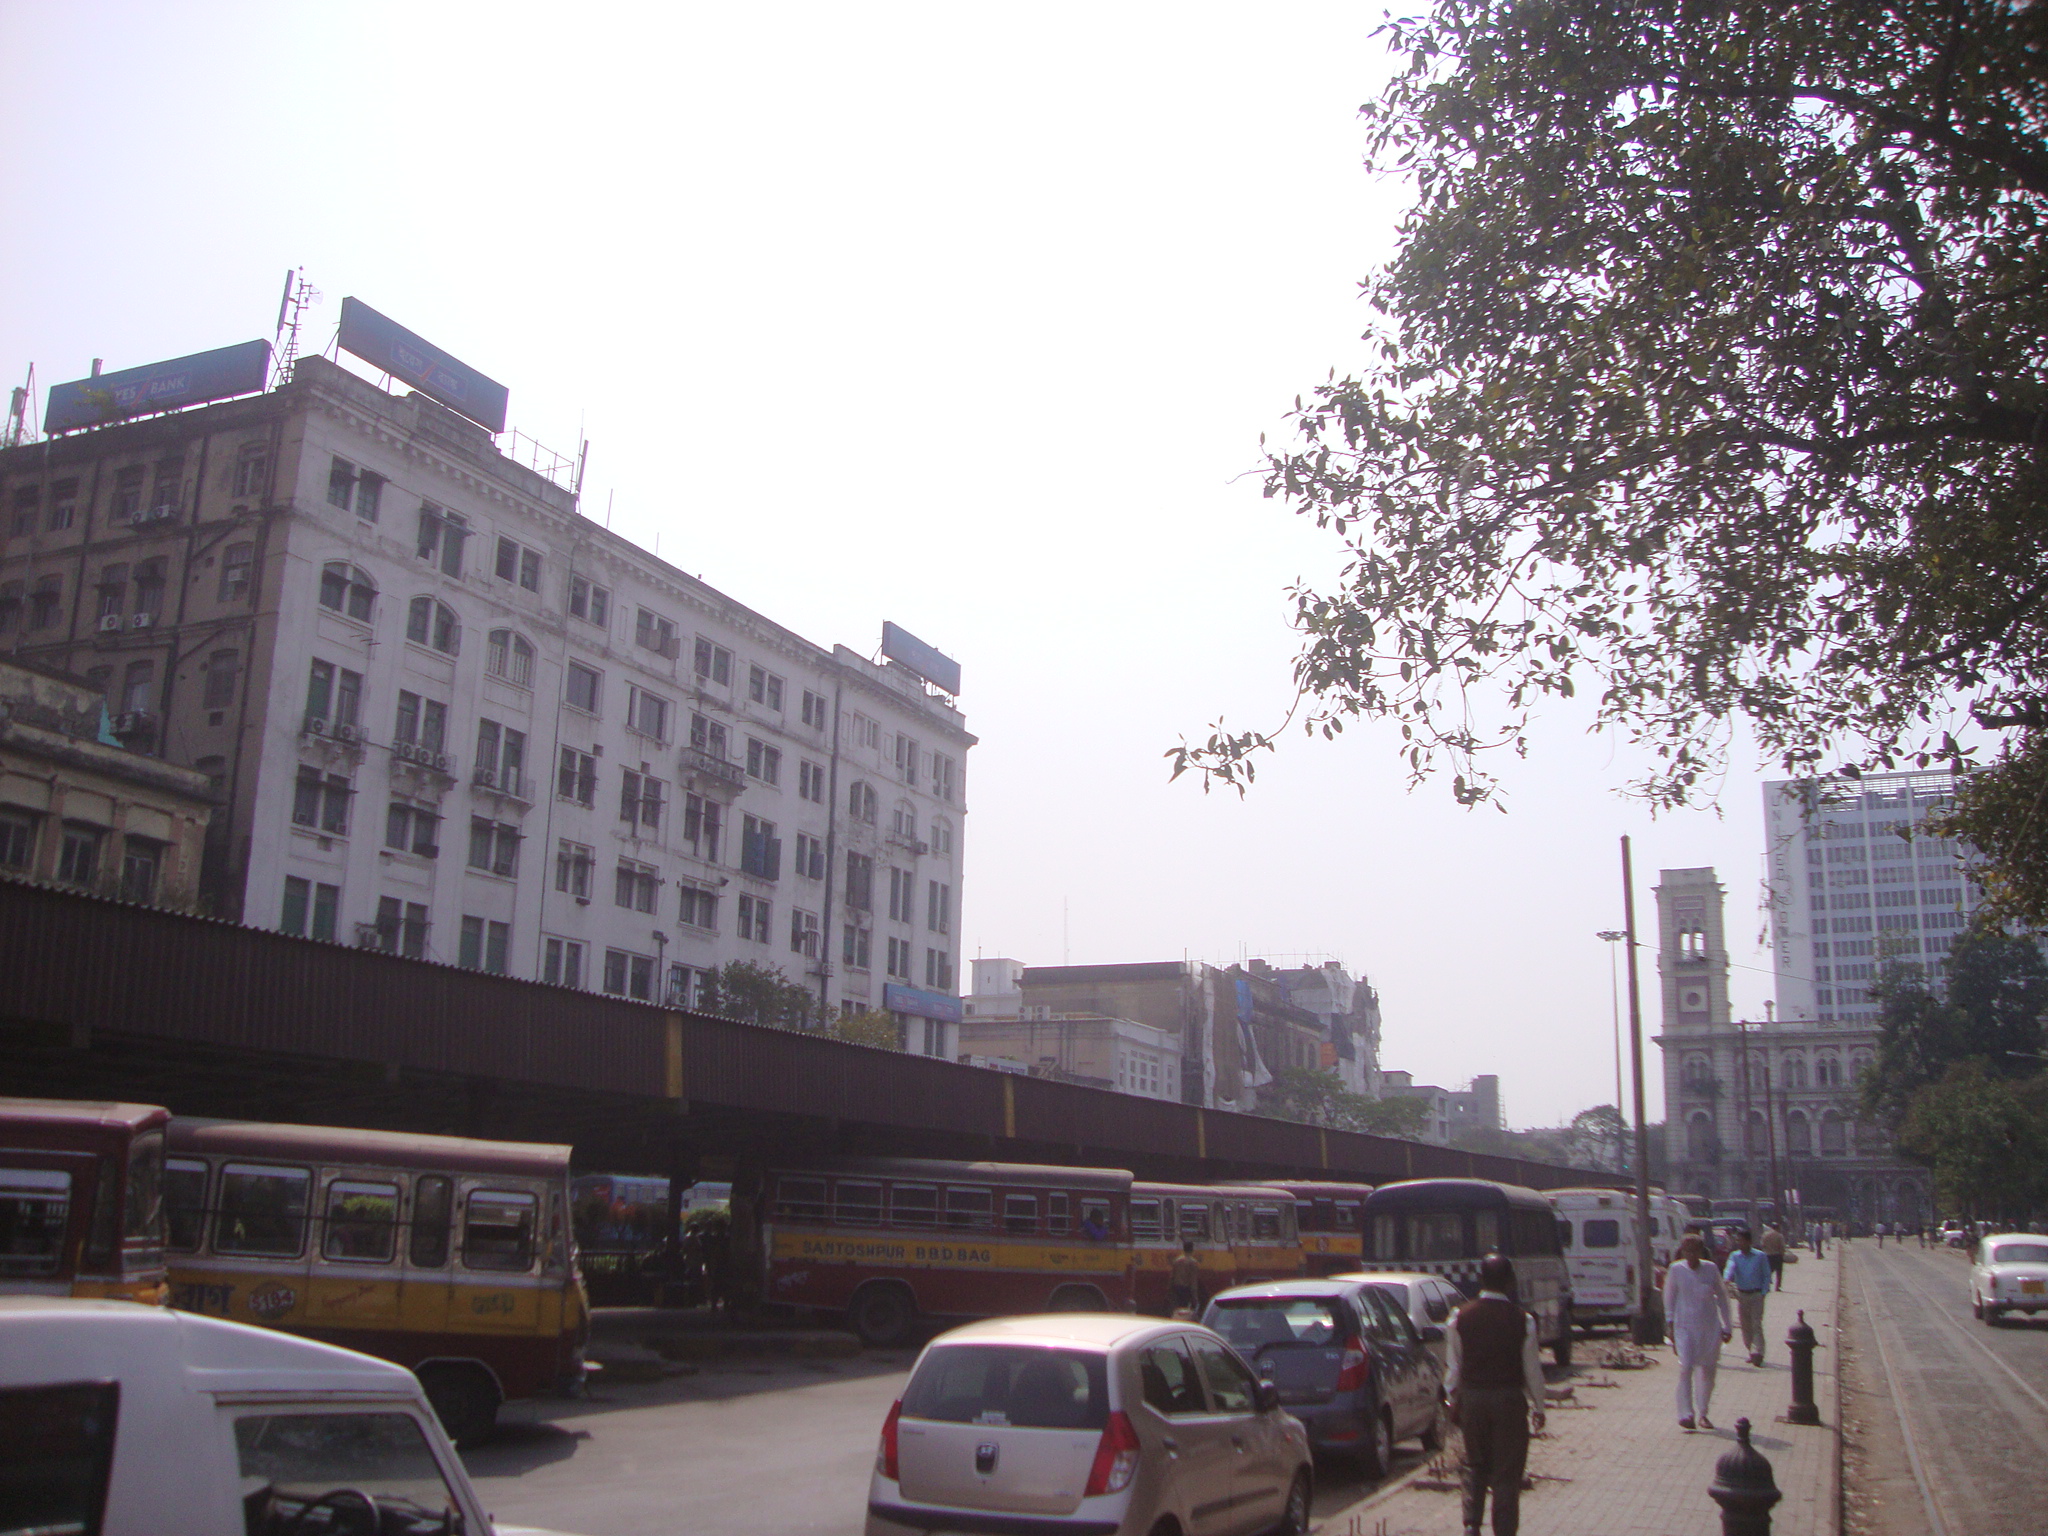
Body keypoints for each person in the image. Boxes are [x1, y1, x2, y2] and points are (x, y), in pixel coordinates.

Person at [1443, 1253, 1546, 1536]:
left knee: (1474, 1465)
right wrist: (1539, 1406)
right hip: (1509, 1402)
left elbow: (1454, 1368)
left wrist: (1453, 1401)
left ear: (1481, 1280)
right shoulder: (1523, 1320)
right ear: (1510, 1282)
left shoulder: (1458, 1317)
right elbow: (1532, 1370)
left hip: (1473, 1401)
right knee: (1506, 1474)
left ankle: (1471, 1525)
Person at [1663, 1232, 1732, 1431]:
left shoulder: (1710, 1270)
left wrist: (1727, 1326)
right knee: (1685, 1368)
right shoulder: (1676, 1270)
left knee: (1707, 1372)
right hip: (1684, 1327)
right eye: (1686, 1251)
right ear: (1682, 1251)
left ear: (1701, 1251)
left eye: (1694, 1251)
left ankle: (1703, 1413)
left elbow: (1723, 1299)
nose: (1690, 1255)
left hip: (1709, 1328)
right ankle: (1686, 1414)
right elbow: (1669, 1297)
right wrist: (1669, 1325)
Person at [1726, 1229, 1773, 1366]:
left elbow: (1767, 1274)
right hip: (1742, 1295)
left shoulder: (1760, 1256)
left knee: (1756, 1324)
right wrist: (1727, 1279)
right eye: (1737, 1240)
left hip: (1756, 1294)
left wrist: (1764, 1292)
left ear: (1748, 1241)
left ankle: (1758, 1352)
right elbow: (1730, 1268)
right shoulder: (1735, 1256)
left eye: (1741, 1240)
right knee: (1745, 1326)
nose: (1738, 1243)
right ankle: (1751, 1351)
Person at [1168, 1240, 1201, 1318]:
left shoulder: (1177, 1261)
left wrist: (1169, 1290)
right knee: (1185, 1310)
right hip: (1186, 1289)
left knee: (1177, 1309)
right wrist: (1195, 1297)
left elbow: (1172, 1276)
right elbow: (1193, 1281)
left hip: (1176, 1288)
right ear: (1192, 1249)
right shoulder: (1193, 1263)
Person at [1757, 1222, 1787, 1291]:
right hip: (1777, 1255)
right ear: (1777, 1228)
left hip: (1767, 1255)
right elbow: (1782, 1247)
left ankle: (1766, 1286)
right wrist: (1782, 1254)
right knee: (1779, 1272)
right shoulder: (1779, 1235)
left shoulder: (1765, 1235)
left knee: (1768, 1272)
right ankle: (1777, 1287)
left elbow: (1762, 1245)